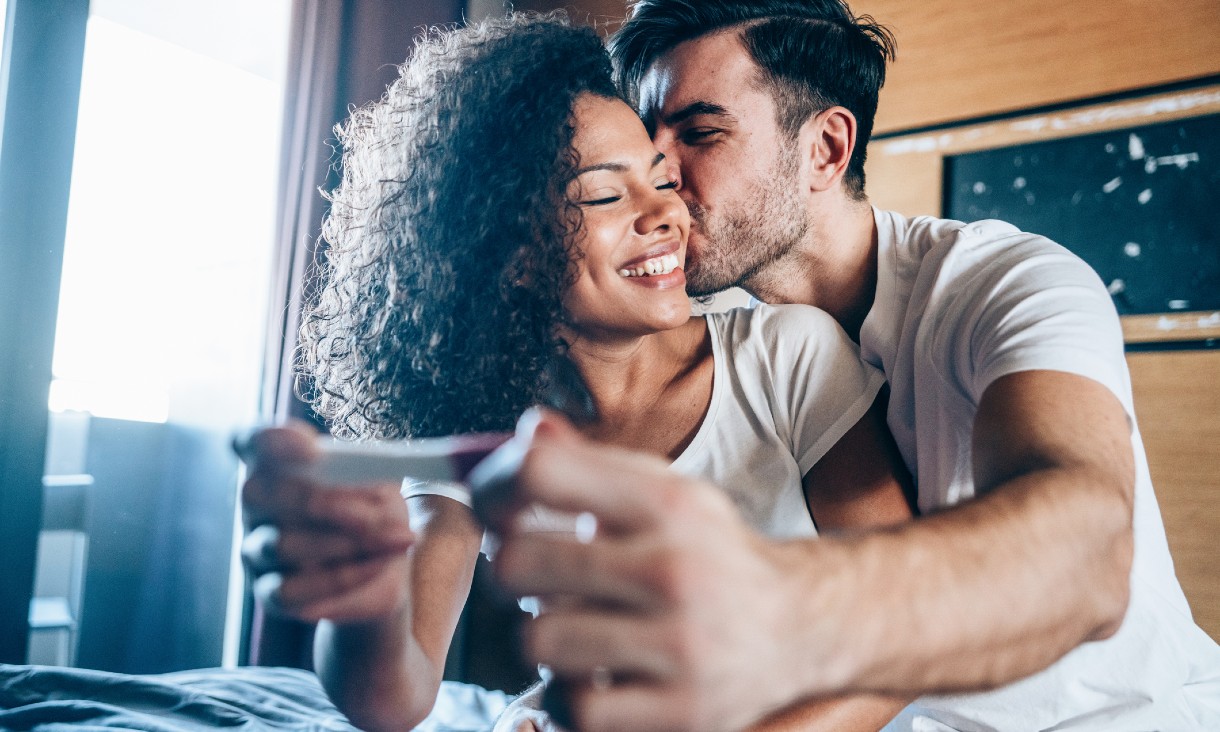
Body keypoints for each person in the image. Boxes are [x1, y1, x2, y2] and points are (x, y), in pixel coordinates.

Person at [471, 0, 1220, 730]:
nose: (658, 169)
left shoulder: (1010, 285)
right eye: (645, 139)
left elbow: (1082, 555)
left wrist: (778, 599)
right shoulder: (723, 345)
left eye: (699, 131)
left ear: (826, 149)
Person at [239, 12, 917, 732]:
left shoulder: (787, 358)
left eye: (660, 180)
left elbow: (903, 634)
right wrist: (367, 601)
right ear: (509, 250)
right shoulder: (483, 431)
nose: (665, 213)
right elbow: (394, 697)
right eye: (605, 195)